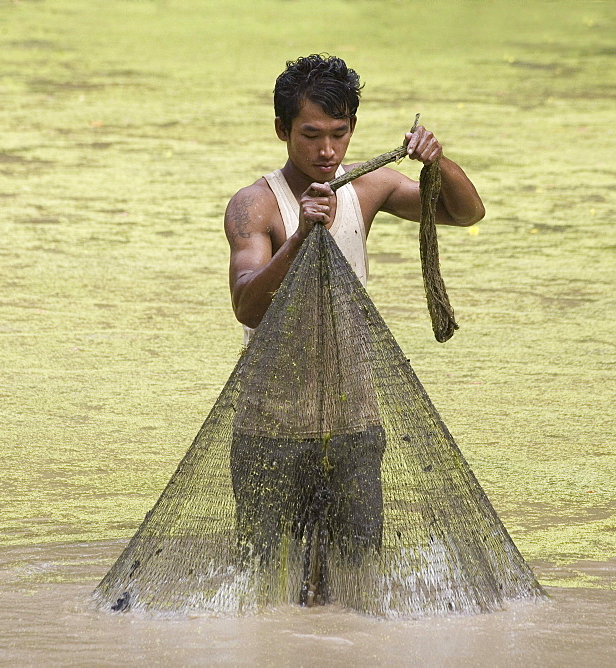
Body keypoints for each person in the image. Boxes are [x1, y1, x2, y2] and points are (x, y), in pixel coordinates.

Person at [223, 54, 485, 596]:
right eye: (310, 135)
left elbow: (465, 214)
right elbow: (248, 305)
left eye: (338, 135)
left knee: (355, 581)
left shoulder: (368, 189)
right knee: (266, 585)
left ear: (352, 130)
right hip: (271, 419)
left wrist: (439, 162)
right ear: (281, 130)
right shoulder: (256, 206)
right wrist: (299, 237)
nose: (325, 151)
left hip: (353, 416)